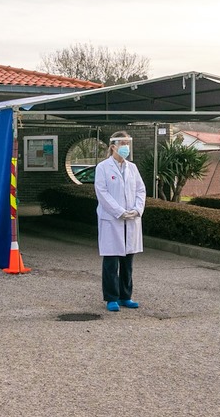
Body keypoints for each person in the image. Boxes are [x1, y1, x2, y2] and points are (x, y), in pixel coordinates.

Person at [94, 131, 146, 312]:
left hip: (131, 220)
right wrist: (119, 212)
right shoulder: (103, 167)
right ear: (113, 146)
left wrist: (137, 210)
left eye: (127, 144)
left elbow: (141, 190)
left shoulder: (132, 168)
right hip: (112, 220)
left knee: (127, 261)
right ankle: (111, 298)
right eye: (122, 144)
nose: (126, 148)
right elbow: (102, 193)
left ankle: (126, 296)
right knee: (111, 261)